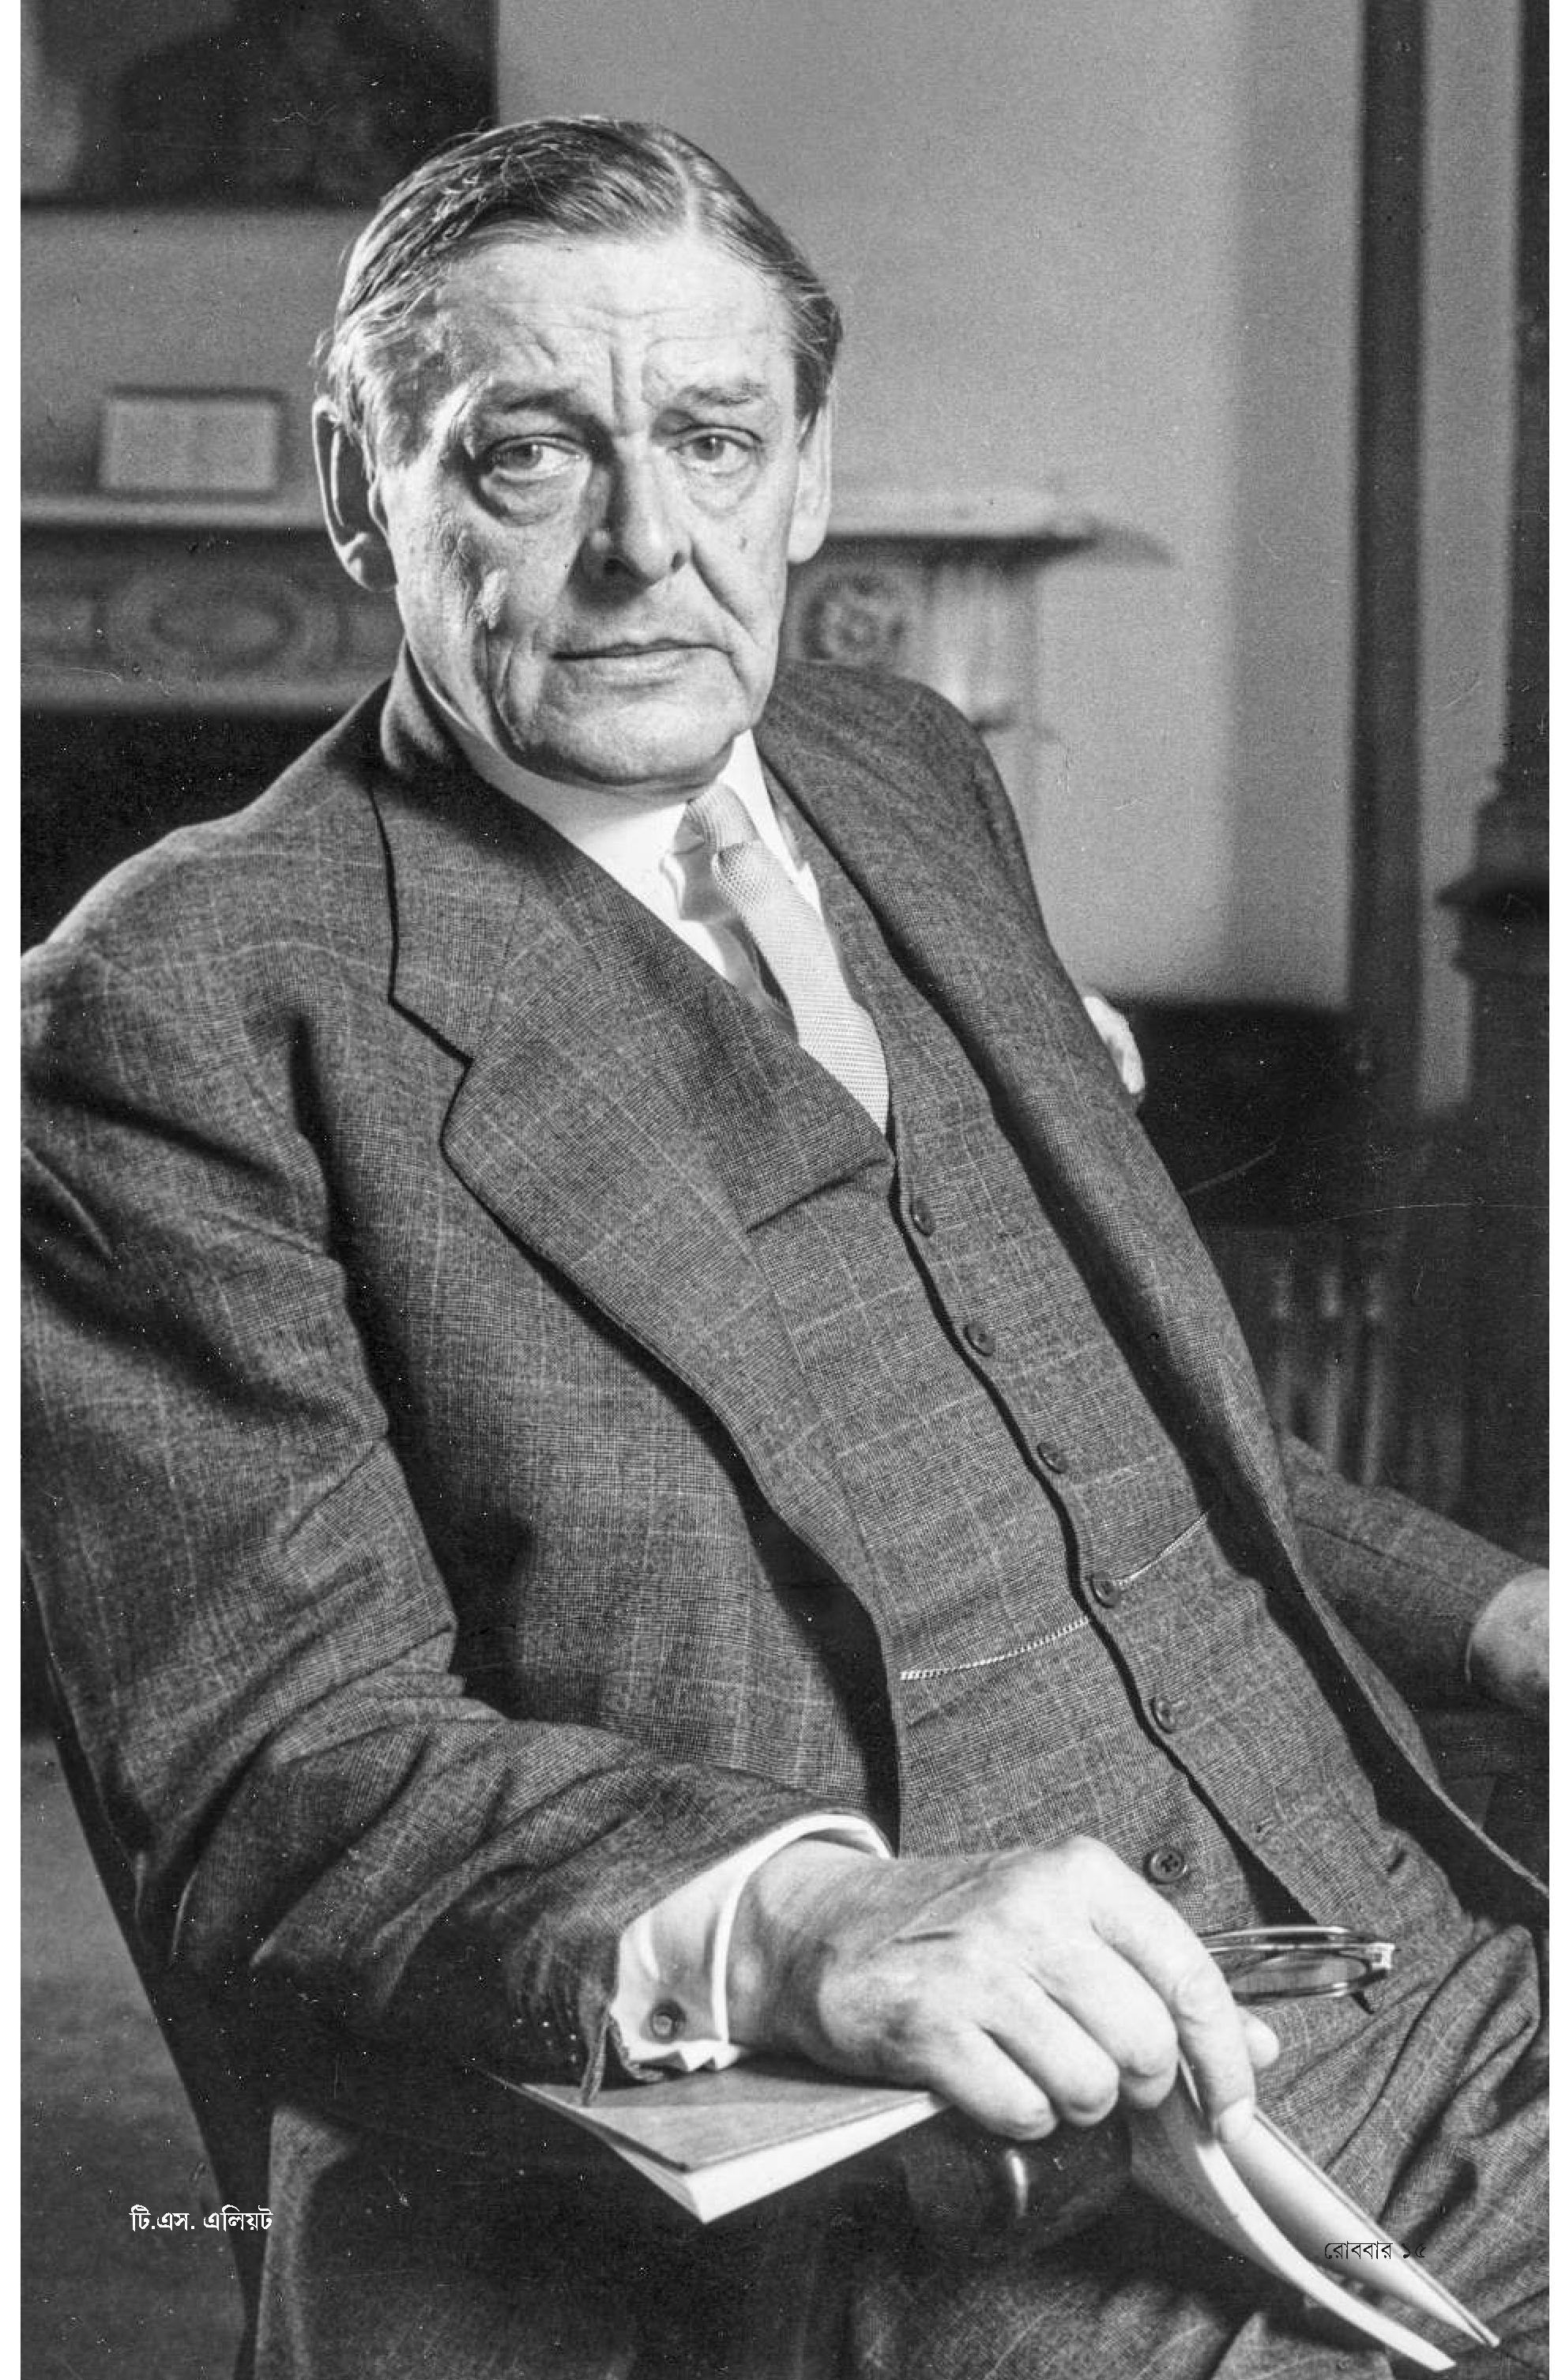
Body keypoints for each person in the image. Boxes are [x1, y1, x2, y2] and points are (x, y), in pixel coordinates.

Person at [22, 118, 1546, 2380]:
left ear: (807, 477)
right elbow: (276, 1771)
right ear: (361, 492)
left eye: (713, 440)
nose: (645, 543)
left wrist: (1511, 1614)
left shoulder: (899, 766)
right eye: (528, 451)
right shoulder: (184, 1002)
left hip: (1429, 1964)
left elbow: (1127, 1448)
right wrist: (814, 1924)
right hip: (938, 2185)